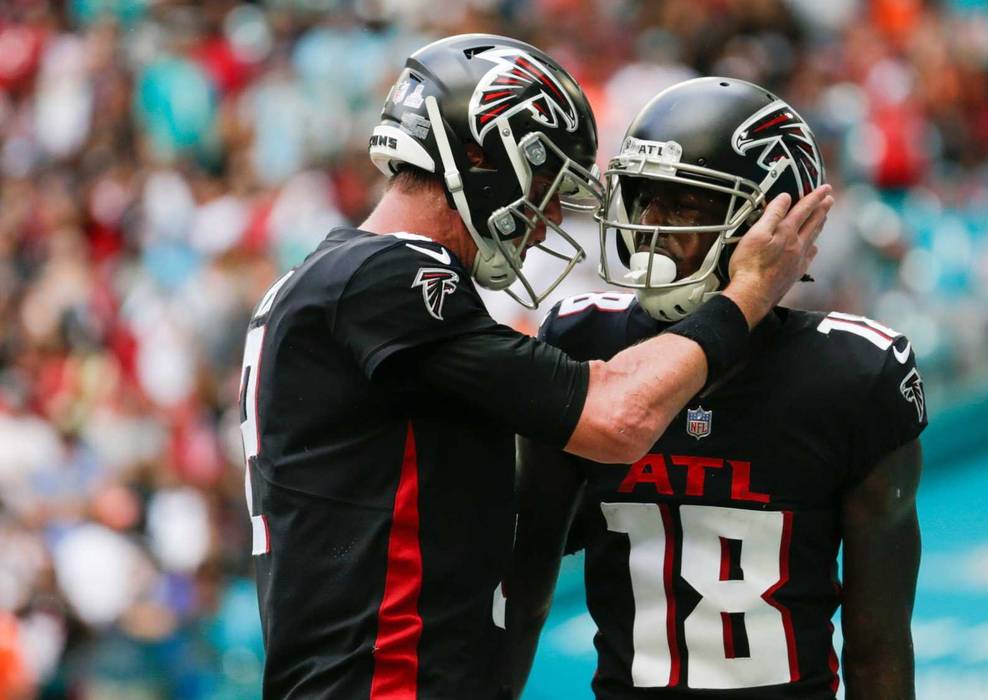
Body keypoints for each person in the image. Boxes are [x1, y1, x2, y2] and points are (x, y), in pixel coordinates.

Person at [238, 37, 832, 700]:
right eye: (548, 183)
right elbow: (620, 415)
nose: (549, 220)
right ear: (479, 153)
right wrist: (746, 294)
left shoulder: (345, 277)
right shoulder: (390, 276)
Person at [505, 78, 923, 699]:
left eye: (685, 207)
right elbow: (522, 581)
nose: (650, 227)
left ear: (771, 224)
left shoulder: (856, 376)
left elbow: (878, 650)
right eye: (646, 201)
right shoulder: (583, 339)